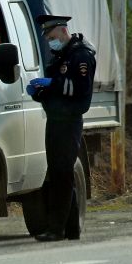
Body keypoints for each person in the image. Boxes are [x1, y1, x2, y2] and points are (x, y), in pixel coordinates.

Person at [25, 14, 96, 242]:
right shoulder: (61, 56)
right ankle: (71, 229)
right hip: (55, 120)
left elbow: (80, 89)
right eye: (47, 38)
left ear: (63, 31)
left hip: (69, 122)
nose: (50, 41)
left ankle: (56, 229)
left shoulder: (81, 56)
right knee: (59, 175)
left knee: (62, 175)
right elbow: (56, 90)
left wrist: (52, 84)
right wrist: (40, 93)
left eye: (52, 36)